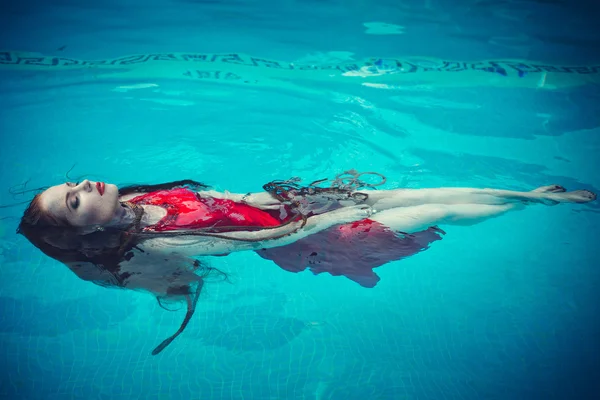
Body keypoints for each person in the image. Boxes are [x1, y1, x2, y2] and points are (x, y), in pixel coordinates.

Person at [16, 170, 596, 355]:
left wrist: (291, 198)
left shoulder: (141, 201)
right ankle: (535, 206)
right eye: (74, 199)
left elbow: (232, 202)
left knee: (402, 193)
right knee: (432, 209)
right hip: (307, 238)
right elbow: (258, 243)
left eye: (71, 183)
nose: (83, 184)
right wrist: (321, 219)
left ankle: (530, 196)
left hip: (288, 213)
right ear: (87, 226)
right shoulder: (162, 246)